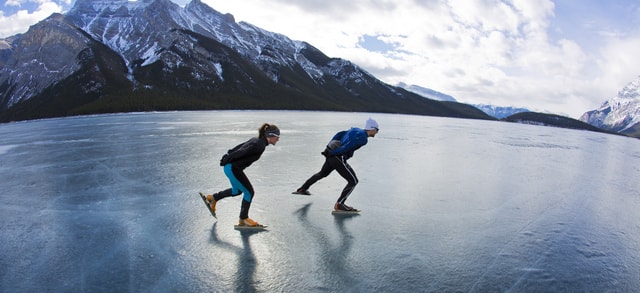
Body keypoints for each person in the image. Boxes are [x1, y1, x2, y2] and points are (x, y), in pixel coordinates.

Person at [204, 123, 280, 227]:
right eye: (277, 137)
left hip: (230, 167)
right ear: (271, 135)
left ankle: (212, 198)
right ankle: (243, 219)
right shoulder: (259, 145)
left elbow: (239, 148)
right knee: (249, 192)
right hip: (233, 168)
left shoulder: (256, 140)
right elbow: (242, 151)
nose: (278, 139)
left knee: (237, 191)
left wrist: (228, 155)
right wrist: (228, 158)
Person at [294, 118, 379, 211]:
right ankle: (340, 204)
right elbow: (348, 146)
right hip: (338, 157)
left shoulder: (356, 129)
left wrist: (328, 148)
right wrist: (334, 153)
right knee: (353, 181)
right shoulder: (363, 138)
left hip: (333, 155)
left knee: (322, 173)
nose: (377, 132)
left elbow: (340, 134)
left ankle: (302, 189)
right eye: (377, 130)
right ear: (372, 129)